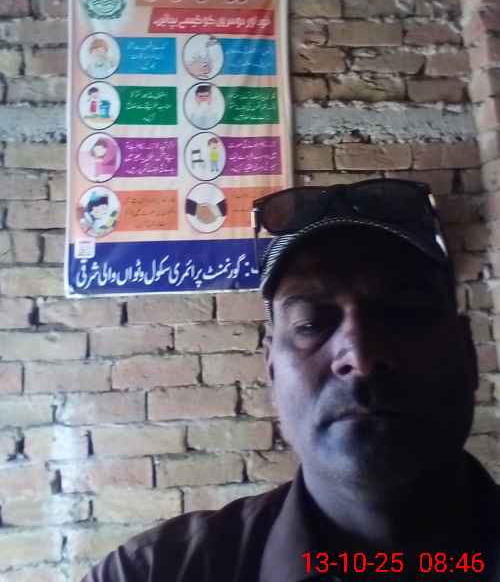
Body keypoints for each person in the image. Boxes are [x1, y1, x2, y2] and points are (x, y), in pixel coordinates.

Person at [81, 179, 500, 582]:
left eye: (402, 313)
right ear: (271, 371)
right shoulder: (153, 572)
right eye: (311, 323)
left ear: (467, 353)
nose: (360, 357)